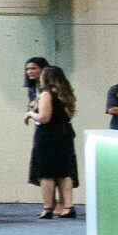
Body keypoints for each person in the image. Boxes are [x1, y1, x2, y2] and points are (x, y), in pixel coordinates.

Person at [28, 65, 79, 220]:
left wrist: (30, 113)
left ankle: (48, 207)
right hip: (64, 134)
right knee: (64, 172)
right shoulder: (67, 94)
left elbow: (44, 117)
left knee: (46, 174)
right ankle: (68, 207)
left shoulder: (46, 95)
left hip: (48, 136)